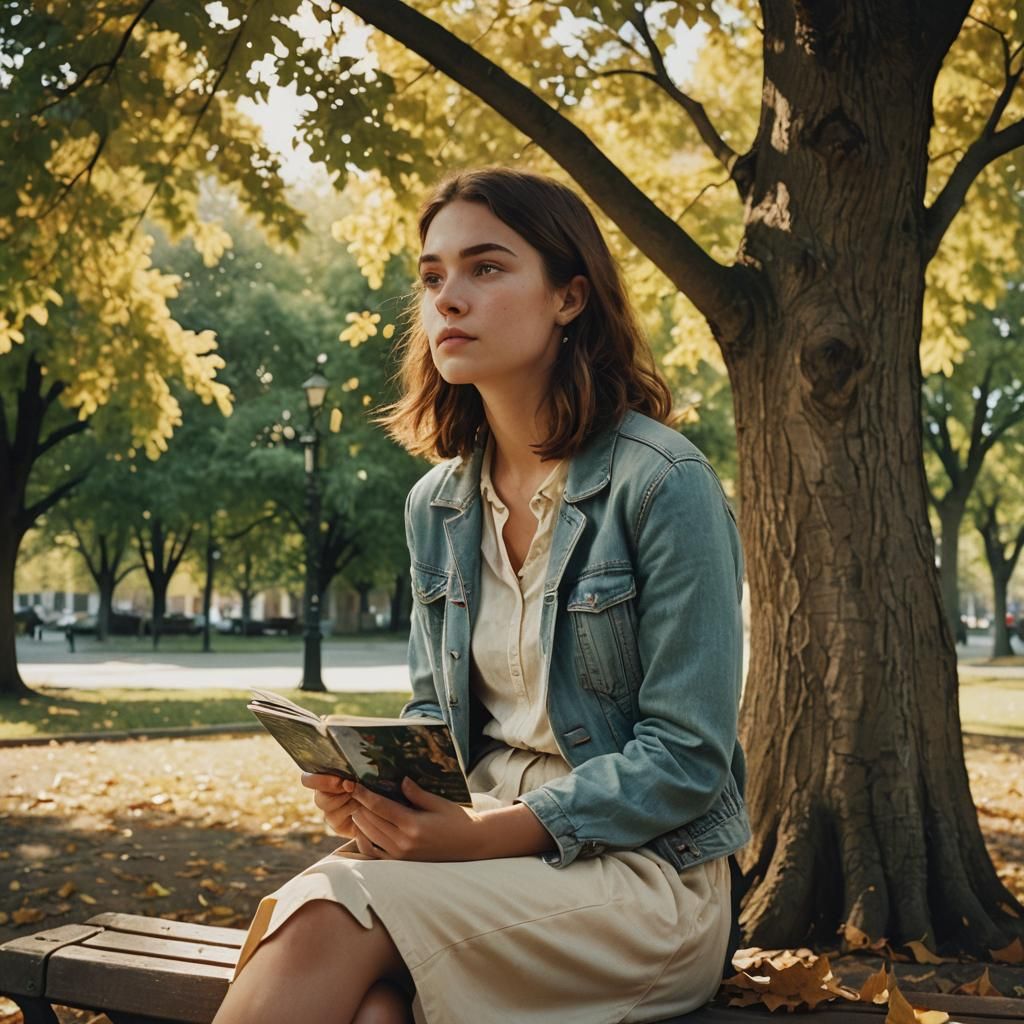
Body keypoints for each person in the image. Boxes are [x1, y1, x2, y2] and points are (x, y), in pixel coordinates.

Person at [214, 168, 749, 1024]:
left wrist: (480, 836)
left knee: (326, 915)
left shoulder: (663, 483)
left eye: (486, 268)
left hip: (648, 879)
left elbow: (687, 758)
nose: (448, 299)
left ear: (570, 297)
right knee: (375, 1008)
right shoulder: (437, 505)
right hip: (479, 858)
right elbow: (437, 716)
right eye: (432, 277)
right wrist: (384, 798)